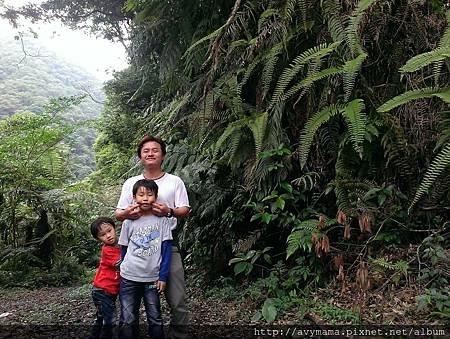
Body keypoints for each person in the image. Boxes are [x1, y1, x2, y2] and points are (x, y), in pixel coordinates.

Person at [115, 135, 190, 339]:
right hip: (137, 247)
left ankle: (179, 334)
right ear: (140, 156)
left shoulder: (174, 181)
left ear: (163, 155)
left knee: (177, 298)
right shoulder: (131, 183)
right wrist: (128, 213)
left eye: (155, 150)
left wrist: (169, 211)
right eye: (145, 150)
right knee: (133, 303)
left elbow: (185, 209)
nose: (150, 153)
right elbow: (119, 214)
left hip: (167, 243)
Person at [118, 179, 173, 339]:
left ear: (155, 197)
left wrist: (163, 276)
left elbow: (166, 249)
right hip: (129, 277)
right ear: (134, 197)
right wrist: (122, 270)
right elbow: (124, 249)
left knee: (155, 317)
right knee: (128, 318)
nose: (145, 198)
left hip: (152, 278)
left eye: (149, 194)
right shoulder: (128, 221)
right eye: (141, 195)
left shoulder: (163, 221)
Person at [88, 217, 121, 339]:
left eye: (109, 231)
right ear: (98, 239)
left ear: (114, 228)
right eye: (102, 235)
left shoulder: (119, 245)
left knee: (101, 318)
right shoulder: (107, 250)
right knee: (110, 320)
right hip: (103, 290)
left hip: (105, 290)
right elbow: (121, 264)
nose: (108, 236)